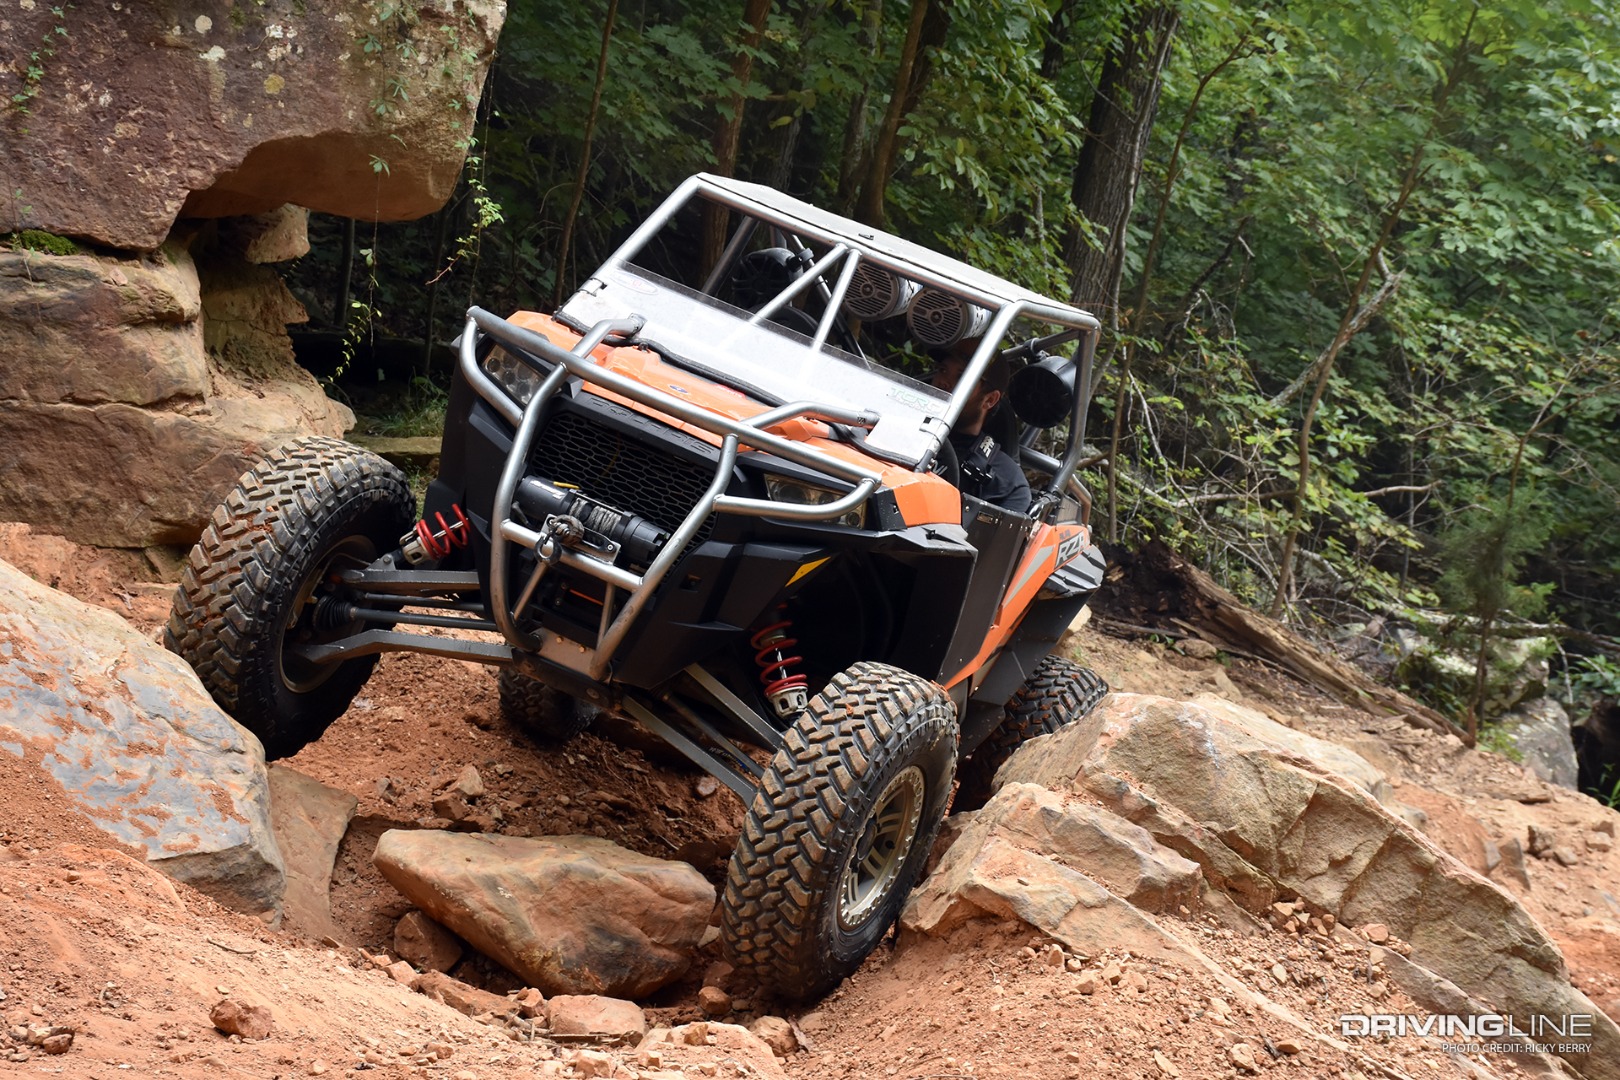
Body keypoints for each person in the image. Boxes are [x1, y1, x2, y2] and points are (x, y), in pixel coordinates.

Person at [929, 340, 1031, 514]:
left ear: (990, 400)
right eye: (943, 370)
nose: (944, 382)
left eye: (962, 377)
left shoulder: (1007, 482)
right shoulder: (893, 426)